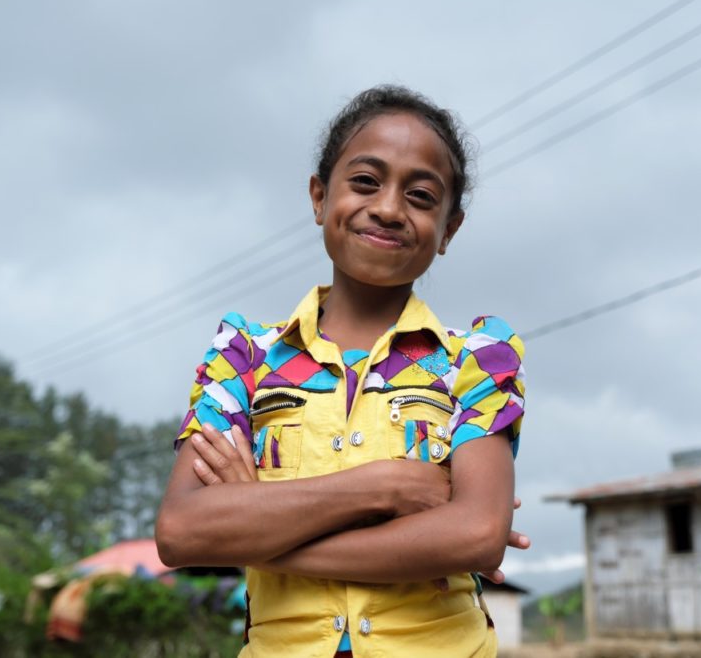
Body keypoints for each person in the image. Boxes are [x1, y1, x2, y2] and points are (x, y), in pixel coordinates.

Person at [156, 85, 527, 657]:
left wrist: (261, 532)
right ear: (319, 197)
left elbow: (477, 535)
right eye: (365, 181)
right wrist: (384, 488)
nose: (387, 207)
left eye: (422, 196)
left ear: (449, 228)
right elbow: (183, 532)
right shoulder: (243, 355)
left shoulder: (478, 357)